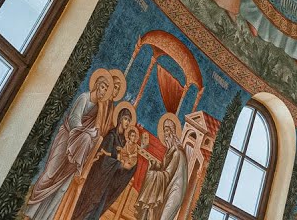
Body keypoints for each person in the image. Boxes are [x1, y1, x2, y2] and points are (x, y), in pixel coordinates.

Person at [24, 69, 119, 220]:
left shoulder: (98, 108)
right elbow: (74, 120)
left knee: (62, 186)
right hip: (67, 138)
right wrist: (86, 133)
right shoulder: (84, 98)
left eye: (106, 90)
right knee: (50, 174)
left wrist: (99, 113)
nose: (103, 92)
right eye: (103, 87)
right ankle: (29, 213)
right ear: (97, 85)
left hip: (78, 148)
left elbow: (98, 131)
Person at [72, 103, 139, 220]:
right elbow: (103, 160)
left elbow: (124, 158)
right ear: (120, 119)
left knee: (98, 208)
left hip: (108, 182)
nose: (127, 122)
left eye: (129, 120)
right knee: (91, 205)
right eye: (125, 119)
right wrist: (119, 164)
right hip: (99, 180)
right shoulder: (111, 136)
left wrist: (131, 165)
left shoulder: (123, 141)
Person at [135, 114, 189, 220]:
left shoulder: (177, 153)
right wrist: (155, 166)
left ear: (173, 132)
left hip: (173, 193)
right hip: (167, 190)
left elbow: (167, 175)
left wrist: (153, 173)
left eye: (167, 130)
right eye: (164, 131)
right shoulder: (170, 151)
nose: (165, 134)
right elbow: (165, 170)